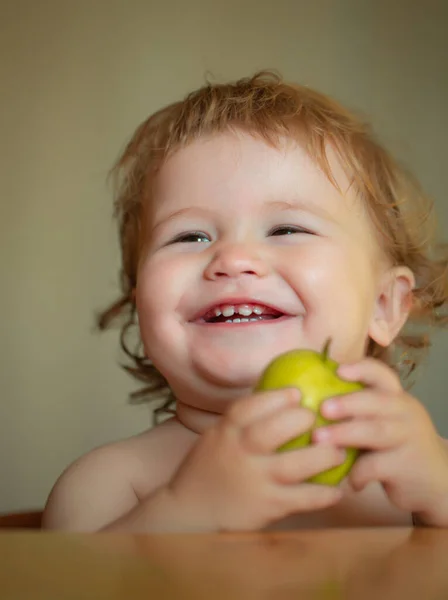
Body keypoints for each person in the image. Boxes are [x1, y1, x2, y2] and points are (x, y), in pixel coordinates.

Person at [42, 71, 448, 532]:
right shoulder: (111, 485)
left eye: (286, 229)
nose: (232, 259)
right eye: (189, 235)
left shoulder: (419, 470)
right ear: (141, 309)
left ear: (384, 305)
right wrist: (184, 509)